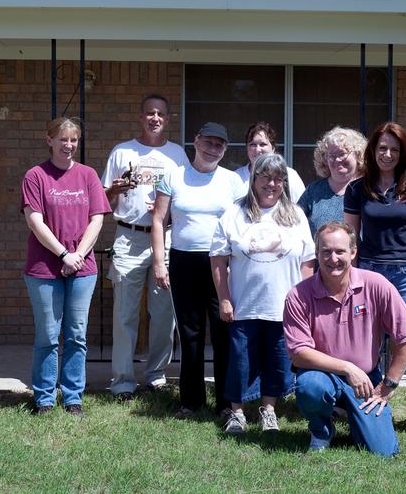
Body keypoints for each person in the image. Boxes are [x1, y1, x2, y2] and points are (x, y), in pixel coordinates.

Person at [283, 221, 406, 457]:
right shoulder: (298, 295)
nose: (333, 258)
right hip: (322, 376)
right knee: (310, 387)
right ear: (316, 254)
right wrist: (347, 368)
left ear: (353, 252)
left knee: (382, 452)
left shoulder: (376, 284)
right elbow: (299, 352)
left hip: (367, 380)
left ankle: (354, 417)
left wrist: (389, 384)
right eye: (325, 251)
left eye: (340, 251)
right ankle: (321, 430)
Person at [343, 121, 406, 440]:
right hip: (369, 272)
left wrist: (403, 255)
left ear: (403, 153)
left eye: (394, 150)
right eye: (382, 148)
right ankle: (371, 407)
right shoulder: (358, 189)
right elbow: (351, 236)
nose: (387, 154)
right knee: (369, 344)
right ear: (373, 150)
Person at [210, 153, 315, 435]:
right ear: (254, 179)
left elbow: (307, 261)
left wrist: (300, 299)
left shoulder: (296, 215)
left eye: (278, 178)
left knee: (278, 361)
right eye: (266, 177)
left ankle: (269, 410)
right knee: (240, 361)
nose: (272, 184)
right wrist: (224, 297)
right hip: (244, 304)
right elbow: (218, 258)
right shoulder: (234, 213)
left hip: (284, 307)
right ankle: (237, 414)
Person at [101, 94, 188, 401]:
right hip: (129, 236)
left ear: (168, 119)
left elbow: (187, 200)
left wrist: (166, 209)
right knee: (124, 313)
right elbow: (102, 201)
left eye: (160, 114)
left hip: (165, 238)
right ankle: (123, 380)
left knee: (163, 313)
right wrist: (114, 189)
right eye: (149, 113)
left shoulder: (177, 155)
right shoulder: (122, 152)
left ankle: (156, 375)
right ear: (140, 117)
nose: (155, 118)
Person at [21, 117, 111, 415]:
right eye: (63, 139)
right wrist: (64, 255)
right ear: (49, 140)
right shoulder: (35, 176)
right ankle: (45, 398)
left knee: (76, 334)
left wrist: (79, 255)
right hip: (44, 269)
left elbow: (97, 218)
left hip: (82, 271)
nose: (68, 145)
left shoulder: (88, 175)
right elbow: (35, 220)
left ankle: (73, 397)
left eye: (73, 140)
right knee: (48, 334)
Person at [152, 122, 242, 418]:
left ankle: (227, 404)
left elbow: (242, 223)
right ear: (195, 141)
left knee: (223, 331)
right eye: (208, 142)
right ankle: (191, 401)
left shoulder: (232, 181)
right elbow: (158, 220)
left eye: (219, 144)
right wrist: (158, 262)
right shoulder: (174, 176)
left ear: (225, 149)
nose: (212, 148)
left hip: (221, 263)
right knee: (190, 333)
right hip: (183, 261)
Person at [297, 126, 366, 237]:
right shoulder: (314, 191)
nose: (337, 160)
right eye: (332, 156)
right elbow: (294, 223)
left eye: (342, 154)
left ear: (358, 155)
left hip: (360, 254)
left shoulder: (368, 189)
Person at [234, 122, 306, 202]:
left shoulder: (290, 175)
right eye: (253, 144)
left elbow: (300, 207)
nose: (257, 150)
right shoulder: (236, 177)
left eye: (262, 144)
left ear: (273, 148)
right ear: (247, 148)